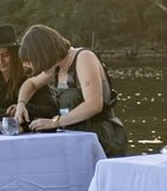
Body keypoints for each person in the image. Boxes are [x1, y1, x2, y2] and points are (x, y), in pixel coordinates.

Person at [14, 24, 126, 157]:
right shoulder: (57, 66)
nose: (32, 67)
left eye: (33, 61)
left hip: (100, 139)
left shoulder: (83, 58)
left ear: (44, 55)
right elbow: (31, 83)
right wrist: (21, 104)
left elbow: (94, 105)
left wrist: (55, 122)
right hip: (72, 138)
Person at [0, 24, 57, 125]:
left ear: (15, 55)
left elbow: (51, 110)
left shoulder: (31, 75)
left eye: (5, 55)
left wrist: (23, 107)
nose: (0, 61)